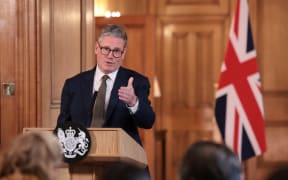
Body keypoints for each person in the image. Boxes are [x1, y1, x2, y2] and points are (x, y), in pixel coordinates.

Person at [56, 24, 155, 146]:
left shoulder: (137, 82)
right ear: (97, 48)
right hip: (83, 159)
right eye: (106, 49)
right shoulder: (73, 85)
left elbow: (148, 122)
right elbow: (62, 127)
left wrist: (133, 102)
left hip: (123, 160)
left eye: (116, 51)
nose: (110, 56)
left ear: (123, 54)